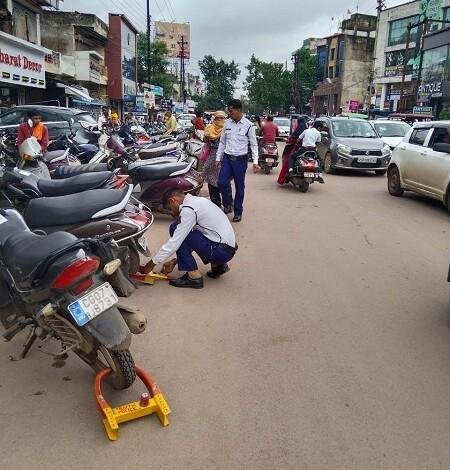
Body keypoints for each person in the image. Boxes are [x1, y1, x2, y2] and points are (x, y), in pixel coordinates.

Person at [143, 189, 238, 289]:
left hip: (219, 252)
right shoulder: (198, 201)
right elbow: (196, 241)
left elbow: (176, 242)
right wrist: (175, 261)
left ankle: (194, 277)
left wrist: (152, 263)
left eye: (170, 209)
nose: (171, 213)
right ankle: (218, 267)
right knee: (186, 231)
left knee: (175, 228)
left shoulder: (189, 209)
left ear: (172, 201)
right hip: (227, 250)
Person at [215, 99, 259, 223]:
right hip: (227, 159)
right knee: (221, 182)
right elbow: (222, 142)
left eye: (231, 111)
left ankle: (238, 212)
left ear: (239, 110)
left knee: (240, 187)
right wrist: (218, 158)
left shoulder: (249, 125)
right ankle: (228, 203)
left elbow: (254, 145)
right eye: (229, 111)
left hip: (240, 161)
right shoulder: (227, 124)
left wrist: (255, 162)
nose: (229, 113)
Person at [203, 110, 228, 207]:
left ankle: (227, 204)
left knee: (222, 181)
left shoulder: (227, 129)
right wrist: (206, 137)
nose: (220, 120)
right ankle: (215, 203)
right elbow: (205, 141)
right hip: (213, 154)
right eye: (218, 118)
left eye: (222, 118)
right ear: (215, 118)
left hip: (224, 156)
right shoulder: (209, 128)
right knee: (211, 179)